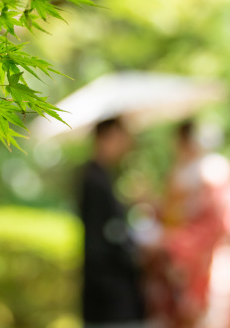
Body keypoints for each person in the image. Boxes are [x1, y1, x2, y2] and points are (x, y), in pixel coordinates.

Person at [151, 120, 230, 328]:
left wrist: (176, 241)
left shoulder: (211, 171)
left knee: (214, 309)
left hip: (205, 254)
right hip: (188, 255)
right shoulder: (185, 172)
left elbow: (221, 219)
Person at [78, 118, 147, 328]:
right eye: (121, 138)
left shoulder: (101, 178)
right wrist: (134, 253)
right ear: (105, 138)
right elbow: (105, 235)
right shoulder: (93, 180)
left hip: (109, 289)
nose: (126, 145)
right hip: (108, 290)